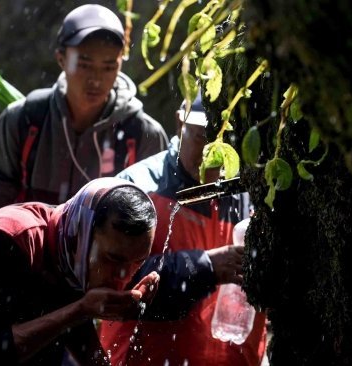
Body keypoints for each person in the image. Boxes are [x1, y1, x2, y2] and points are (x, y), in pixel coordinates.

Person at [0, 177, 160, 366]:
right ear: (81, 234)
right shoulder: (10, 238)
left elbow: (75, 331)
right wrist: (80, 310)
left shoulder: (73, 261)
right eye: (113, 259)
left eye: (137, 262)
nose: (123, 276)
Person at [99, 92, 267, 365]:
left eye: (226, 142)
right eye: (203, 137)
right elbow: (111, 282)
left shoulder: (252, 198)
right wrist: (204, 267)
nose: (213, 156)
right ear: (180, 123)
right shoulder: (136, 190)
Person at [0, 4, 169, 219]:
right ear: (61, 58)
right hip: (28, 249)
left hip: (102, 253)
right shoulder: (23, 120)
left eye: (109, 67)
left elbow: (151, 221)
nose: (96, 80)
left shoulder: (143, 135)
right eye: (84, 64)